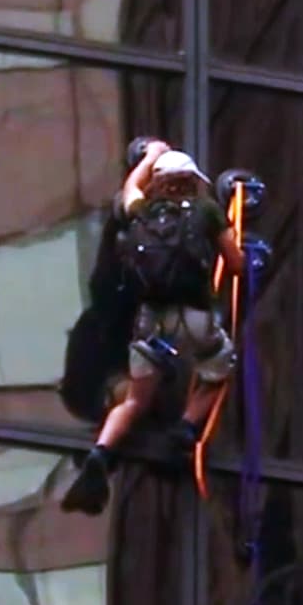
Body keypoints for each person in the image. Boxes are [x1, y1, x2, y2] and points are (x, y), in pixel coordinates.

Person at [60, 138, 246, 515]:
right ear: (192, 180)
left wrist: (149, 157)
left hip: (149, 322)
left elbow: (131, 187)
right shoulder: (205, 210)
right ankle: (186, 428)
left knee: (135, 400)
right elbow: (237, 264)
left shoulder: (141, 211)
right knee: (218, 369)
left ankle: (101, 452)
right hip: (193, 317)